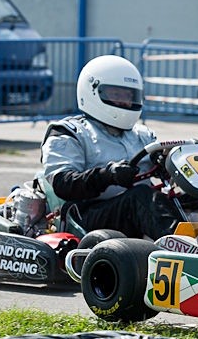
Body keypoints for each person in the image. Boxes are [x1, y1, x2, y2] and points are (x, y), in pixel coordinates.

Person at [38, 55, 182, 239]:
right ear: (92, 91)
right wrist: (107, 175)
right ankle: (185, 251)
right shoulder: (69, 132)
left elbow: (159, 171)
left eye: (129, 95)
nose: (125, 102)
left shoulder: (143, 135)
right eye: (116, 94)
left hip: (133, 213)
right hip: (87, 216)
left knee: (191, 197)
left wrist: (167, 163)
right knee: (140, 196)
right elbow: (63, 184)